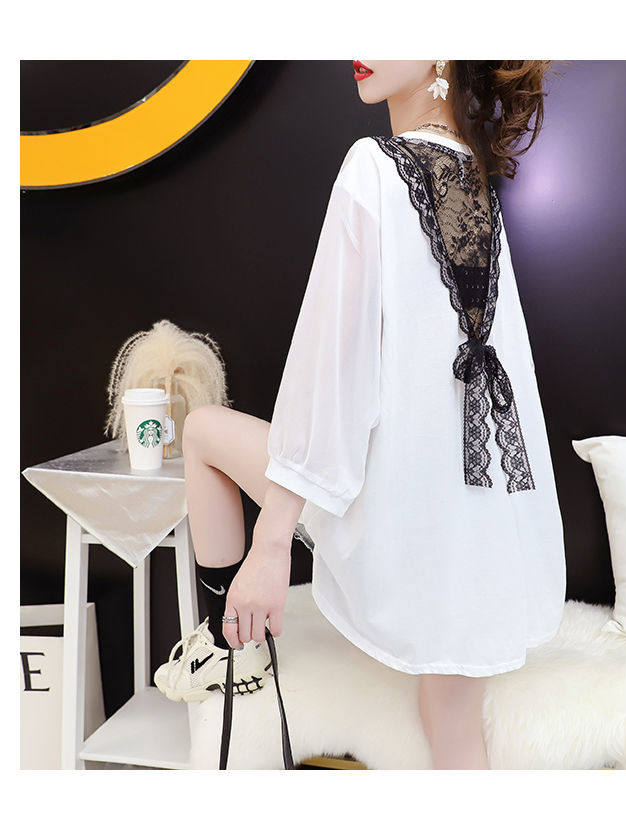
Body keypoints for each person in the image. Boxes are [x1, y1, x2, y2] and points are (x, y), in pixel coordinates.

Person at [154, 60, 566, 770]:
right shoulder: (473, 174)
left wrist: (271, 546)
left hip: (384, 507)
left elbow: (333, 373)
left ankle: (232, 651)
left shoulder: (373, 167)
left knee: (201, 429)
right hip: (476, 526)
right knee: (454, 731)